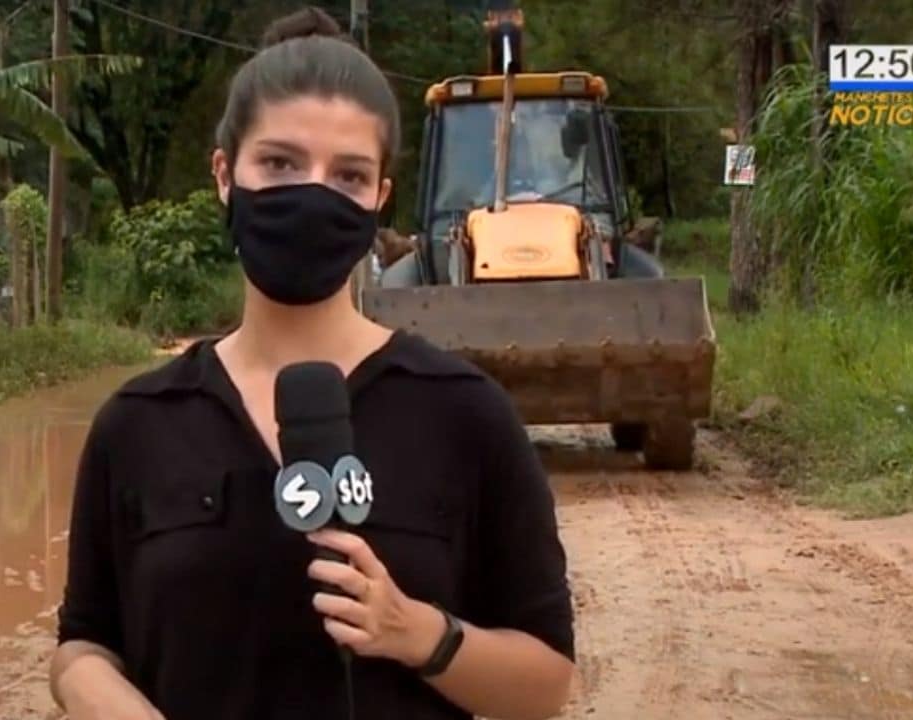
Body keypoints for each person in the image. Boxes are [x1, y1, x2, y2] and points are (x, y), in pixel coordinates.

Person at [48, 7, 575, 720]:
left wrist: (419, 633)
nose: (313, 194)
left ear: (380, 198)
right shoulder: (135, 425)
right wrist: (105, 700)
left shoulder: (465, 413)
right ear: (224, 175)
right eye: (280, 163)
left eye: (348, 175)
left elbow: (544, 686)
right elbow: (84, 643)